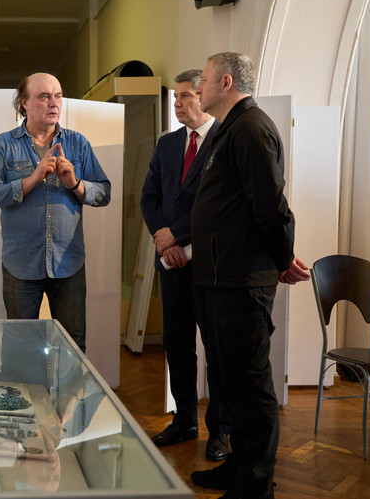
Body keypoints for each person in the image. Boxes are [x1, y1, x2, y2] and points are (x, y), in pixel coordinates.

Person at [189, 52, 310, 499]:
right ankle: (237, 466)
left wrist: (283, 258)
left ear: (225, 81)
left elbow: (270, 205)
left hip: (242, 281)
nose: (197, 89)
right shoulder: (229, 129)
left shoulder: (252, 127)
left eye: (202, 80)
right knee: (228, 382)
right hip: (220, 279)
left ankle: (256, 484)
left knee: (251, 385)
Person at [0, 72, 111, 352]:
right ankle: (25, 397)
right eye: (44, 96)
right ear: (24, 103)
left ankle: (68, 397)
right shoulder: (4, 145)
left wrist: (74, 184)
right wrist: (32, 179)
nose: (54, 103)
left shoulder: (78, 143)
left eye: (58, 95)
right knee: (19, 346)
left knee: (73, 345)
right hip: (20, 265)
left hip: (68, 263)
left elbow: (104, 193)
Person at [140, 69, 230, 461]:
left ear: (203, 96)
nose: (176, 103)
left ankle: (221, 431)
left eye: (184, 96)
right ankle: (185, 420)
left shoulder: (225, 140)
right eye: (174, 97)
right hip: (171, 262)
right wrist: (162, 236)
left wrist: (175, 236)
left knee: (217, 349)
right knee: (177, 346)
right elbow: (150, 196)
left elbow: (215, 205)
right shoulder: (168, 144)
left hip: (209, 264)